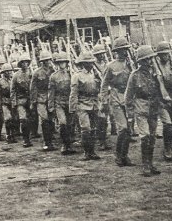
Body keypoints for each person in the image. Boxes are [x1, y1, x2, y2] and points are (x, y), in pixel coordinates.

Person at [125, 45, 166, 176]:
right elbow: (128, 96)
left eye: (150, 59)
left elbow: (161, 92)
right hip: (141, 107)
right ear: (140, 62)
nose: (149, 62)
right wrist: (130, 115)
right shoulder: (134, 75)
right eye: (146, 60)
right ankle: (145, 165)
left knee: (152, 137)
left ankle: (150, 163)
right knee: (145, 136)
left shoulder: (155, 74)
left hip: (153, 108)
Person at [101, 37, 134, 167]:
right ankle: (119, 156)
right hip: (115, 98)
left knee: (128, 130)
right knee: (123, 128)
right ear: (116, 52)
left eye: (125, 50)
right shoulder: (110, 66)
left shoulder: (131, 65)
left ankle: (124, 156)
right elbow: (104, 85)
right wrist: (104, 101)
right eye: (121, 50)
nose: (124, 52)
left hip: (129, 98)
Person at [69, 51, 102, 160]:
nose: (91, 65)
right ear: (83, 64)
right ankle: (86, 152)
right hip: (82, 105)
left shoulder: (95, 74)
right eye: (88, 63)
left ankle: (92, 151)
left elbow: (99, 89)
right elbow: (73, 93)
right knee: (85, 128)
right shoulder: (77, 76)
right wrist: (73, 108)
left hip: (93, 104)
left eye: (92, 62)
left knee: (93, 128)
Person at [49, 52, 77, 154]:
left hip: (69, 102)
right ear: (57, 64)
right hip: (59, 103)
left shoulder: (71, 74)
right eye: (60, 63)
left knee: (70, 124)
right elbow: (51, 92)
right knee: (62, 123)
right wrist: (51, 106)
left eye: (64, 62)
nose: (62, 65)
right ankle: (64, 145)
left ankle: (69, 144)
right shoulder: (53, 76)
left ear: (66, 63)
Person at [30, 50, 56, 151]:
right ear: (42, 61)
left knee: (50, 120)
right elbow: (33, 88)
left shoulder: (53, 71)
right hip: (41, 99)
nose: (48, 62)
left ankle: (50, 140)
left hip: (51, 99)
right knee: (44, 120)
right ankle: (46, 142)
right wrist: (33, 102)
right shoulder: (37, 73)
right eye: (46, 60)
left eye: (49, 60)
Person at [11, 53, 33, 147]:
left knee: (30, 120)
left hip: (30, 100)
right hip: (20, 101)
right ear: (20, 64)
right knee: (23, 120)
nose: (25, 64)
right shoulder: (16, 75)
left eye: (27, 62)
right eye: (23, 62)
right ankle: (26, 140)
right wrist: (13, 103)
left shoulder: (31, 73)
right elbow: (13, 90)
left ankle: (29, 136)